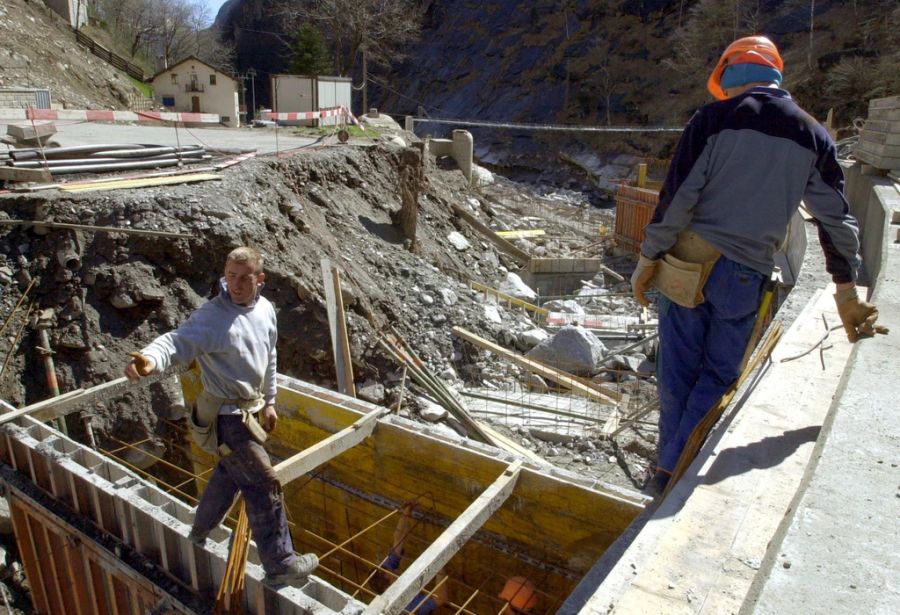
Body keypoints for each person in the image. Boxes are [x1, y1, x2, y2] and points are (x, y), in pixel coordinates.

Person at [631, 36, 885, 496]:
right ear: (775, 73)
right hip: (745, 274)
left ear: (728, 73)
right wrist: (846, 289)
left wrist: (648, 258)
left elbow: (677, 199)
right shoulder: (812, 133)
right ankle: (675, 471)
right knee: (720, 374)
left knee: (678, 372)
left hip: (687, 264)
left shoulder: (714, 118)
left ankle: (664, 473)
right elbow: (836, 219)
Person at [124, 246, 318, 587]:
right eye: (231, 276)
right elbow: (176, 342)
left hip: (252, 409)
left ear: (260, 279)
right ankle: (281, 563)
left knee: (228, 476)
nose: (237, 285)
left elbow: (269, 354)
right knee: (263, 483)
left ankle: (199, 530)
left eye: (245, 278)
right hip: (227, 418)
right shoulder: (213, 317)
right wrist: (149, 360)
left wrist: (270, 401)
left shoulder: (266, 311)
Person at [371, 503, 539, 614]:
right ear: (389, 581)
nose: (394, 570)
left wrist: (406, 514)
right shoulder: (406, 605)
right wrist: (438, 564)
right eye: (392, 572)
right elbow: (441, 598)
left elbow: (398, 539)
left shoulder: (385, 573)